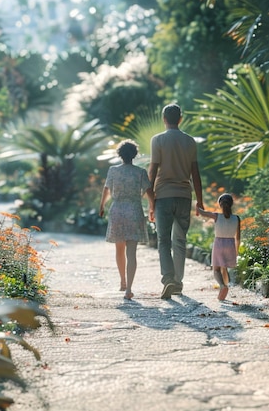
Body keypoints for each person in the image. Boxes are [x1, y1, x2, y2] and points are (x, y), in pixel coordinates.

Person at [148, 103, 204, 300]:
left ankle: (168, 279)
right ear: (180, 119)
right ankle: (178, 283)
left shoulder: (158, 140)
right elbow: (195, 173)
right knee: (179, 241)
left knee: (163, 241)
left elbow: (153, 171)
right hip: (184, 196)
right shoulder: (190, 141)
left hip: (163, 195)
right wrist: (200, 200)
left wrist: (150, 201)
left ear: (164, 119)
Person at [99, 139, 155, 300]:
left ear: (120, 155)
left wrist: (102, 206)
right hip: (134, 211)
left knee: (119, 249)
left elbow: (106, 189)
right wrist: (152, 208)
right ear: (135, 154)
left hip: (117, 211)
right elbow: (150, 192)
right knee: (132, 252)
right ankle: (129, 288)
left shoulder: (113, 170)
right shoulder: (140, 172)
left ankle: (122, 281)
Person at [197, 193, 241, 301]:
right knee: (224, 267)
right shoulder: (237, 218)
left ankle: (222, 286)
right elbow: (238, 237)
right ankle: (226, 286)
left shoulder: (216, 216)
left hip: (219, 244)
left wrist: (198, 205)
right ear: (231, 204)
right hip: (230, 244)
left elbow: (202, 213)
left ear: (220, 204)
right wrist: (237, 250)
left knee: (216, 269)